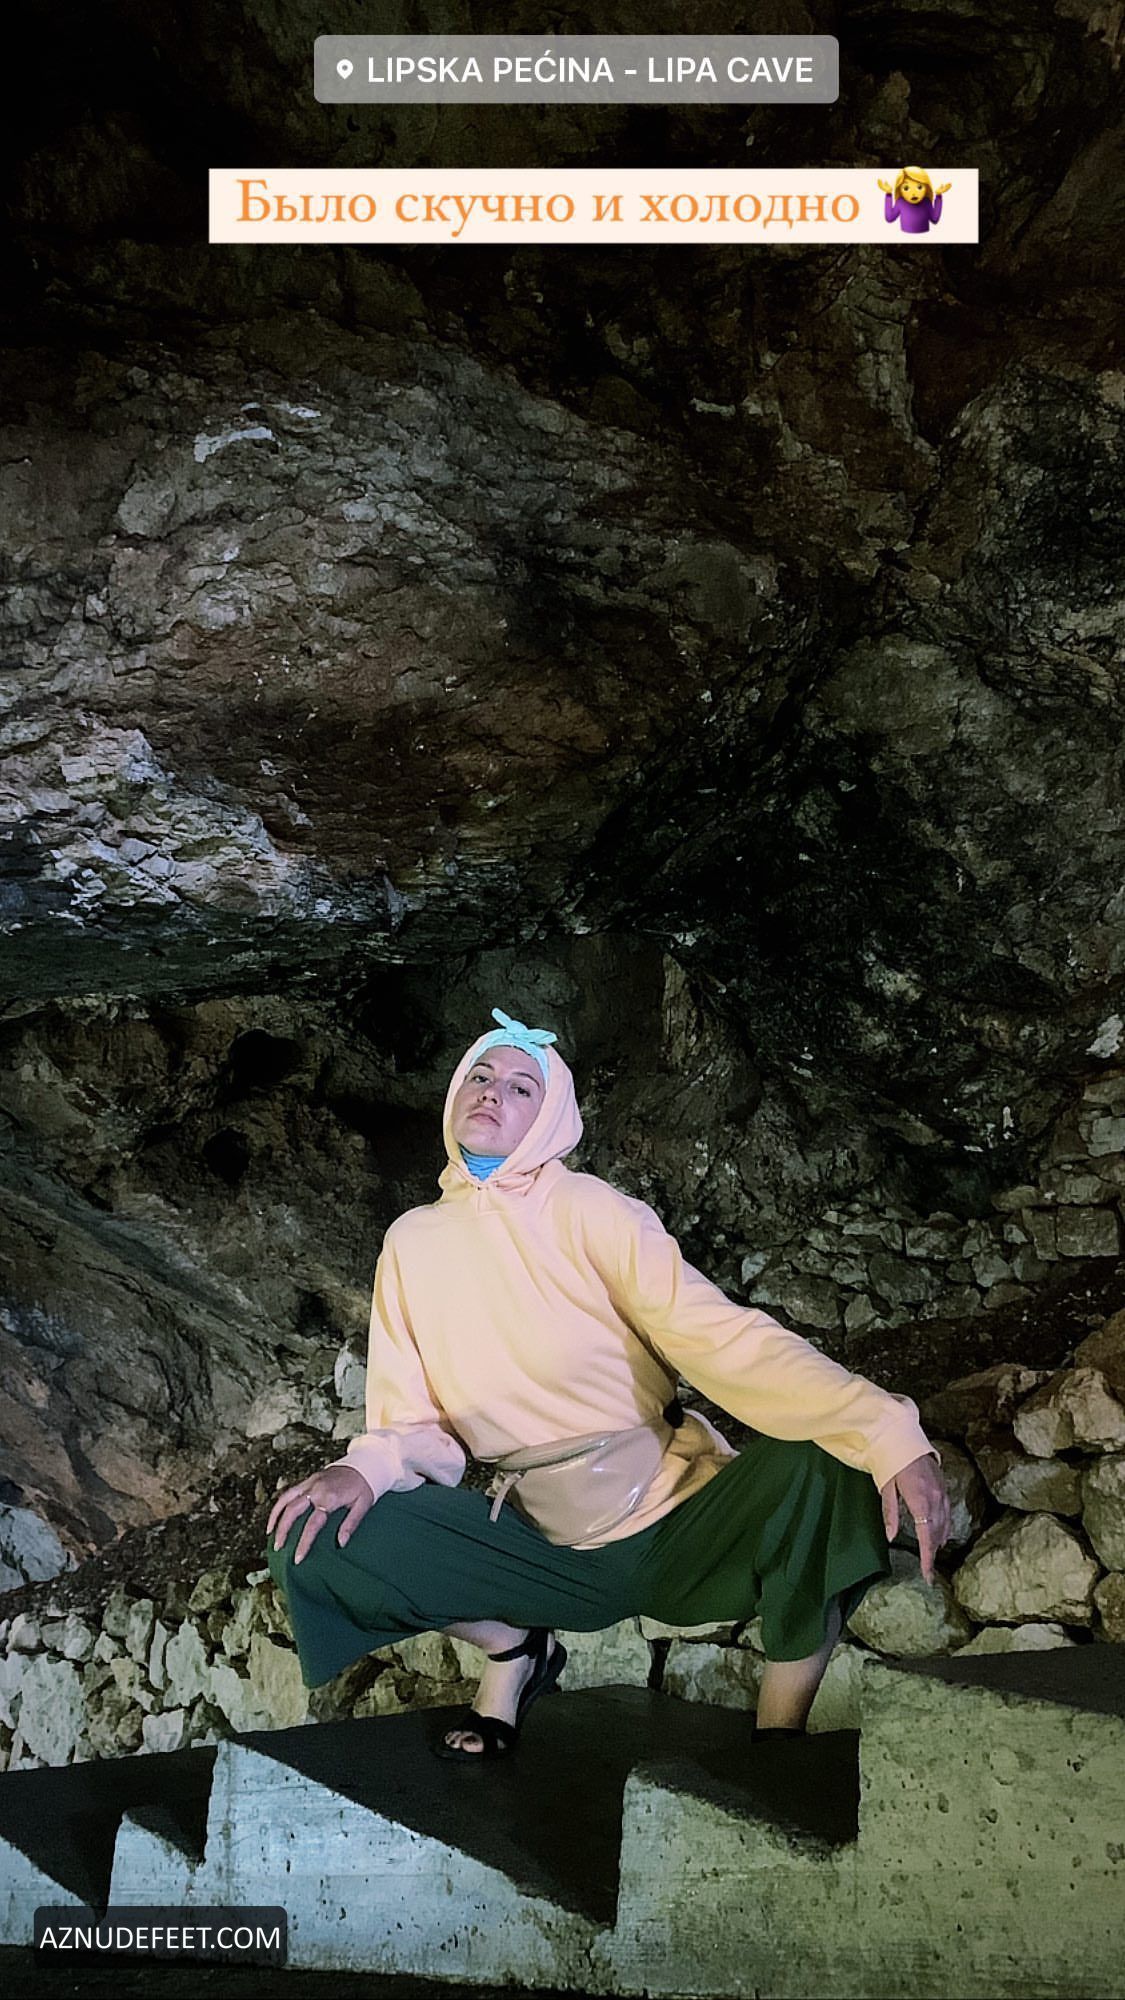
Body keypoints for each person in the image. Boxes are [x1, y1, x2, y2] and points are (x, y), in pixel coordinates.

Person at [267, 1007, 950, 1760]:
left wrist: (884, 1430)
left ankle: (778, 1736)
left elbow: (720, 1338)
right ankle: (513, 1650)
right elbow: (410, 1420)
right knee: (311, 1533)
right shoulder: (411, 1244)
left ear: (550, 1118)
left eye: (521, 1087)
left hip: (675, 1525)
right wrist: (363, 1468)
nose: (493, 1093)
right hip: (538, 1546)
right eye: (481, 1077)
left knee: (830, 1458)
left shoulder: (590, 1209)